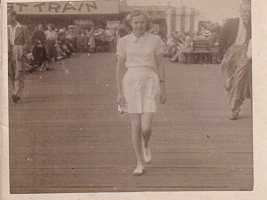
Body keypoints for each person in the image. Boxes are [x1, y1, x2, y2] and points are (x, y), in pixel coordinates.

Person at [116, 10, 166, 176]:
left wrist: (163, 87)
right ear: (131, 24)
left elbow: (160, 64)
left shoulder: (155, 40)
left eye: (142, 22)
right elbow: (119, 67)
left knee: (146, 127)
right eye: (136, 22)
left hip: (150, 82)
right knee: (135, 125)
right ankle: (139, 162)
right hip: (130, 82)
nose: (139, 25)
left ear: (147, 24)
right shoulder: (124, 41)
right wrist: (119, 93)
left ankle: (146, 143)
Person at [219, 0, 252, 120]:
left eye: (249, 11)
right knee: (229, 82)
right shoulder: (231, 22)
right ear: (240, 11)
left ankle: (234, 109)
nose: (247, 14)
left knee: (239, 82)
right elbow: (222, 38)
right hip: (231, 52)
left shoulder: (253, 24)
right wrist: (222, 53)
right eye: (245, 11)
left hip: (245, 53)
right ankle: (232, 93)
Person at [8, 10, 30, 103]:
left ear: (13, 17)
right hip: (9, 54)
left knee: (19, 74)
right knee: (12, 74)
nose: (6, 19)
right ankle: (15, 90)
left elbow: (27, 43)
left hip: (19, 54)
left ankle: (17, 93)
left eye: (8, 16)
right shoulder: (5, 28)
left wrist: (20, 50)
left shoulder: (23, 28)